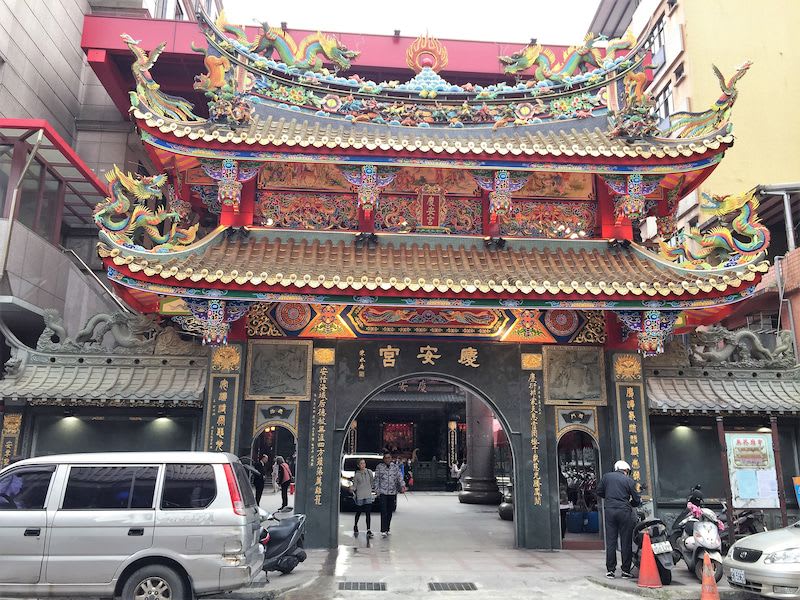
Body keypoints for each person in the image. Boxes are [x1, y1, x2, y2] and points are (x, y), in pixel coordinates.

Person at [596, 460, 641, 579]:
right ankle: (625, 570)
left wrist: (609, 497)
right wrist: (630, 503)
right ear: (626, 470)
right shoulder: (629, 480)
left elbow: (599, 491)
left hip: (610, 511)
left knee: (611, 541)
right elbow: (636, 499)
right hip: (624, 511)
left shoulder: (606, 477)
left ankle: (610, 570)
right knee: (625, 541)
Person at [373, 451, 405, 538]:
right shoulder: (379, 467)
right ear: (383, 459)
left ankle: (387, 528)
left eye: (389, 458)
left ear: (391, 458)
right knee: (383, 511)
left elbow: (399, 477)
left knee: (390, 511)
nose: (387, 459)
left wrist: (402, 485)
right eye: (386, 458)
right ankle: (383, 529)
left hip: (392, 492)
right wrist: (377, 490)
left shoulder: (395, 467)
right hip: (383, 492)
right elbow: (376, 479)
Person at [352, 458, 374, 537]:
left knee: (368, 513)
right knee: (359, 512)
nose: (363, 465)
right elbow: (355, 486)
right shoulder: (357, 475)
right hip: (360, 496)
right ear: (358, 465)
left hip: (368, 495)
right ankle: (355, 525)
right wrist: (351, 489)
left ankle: (368, 529)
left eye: (364, 463)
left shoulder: (369, 472)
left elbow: (372, 482)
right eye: (361, 463)